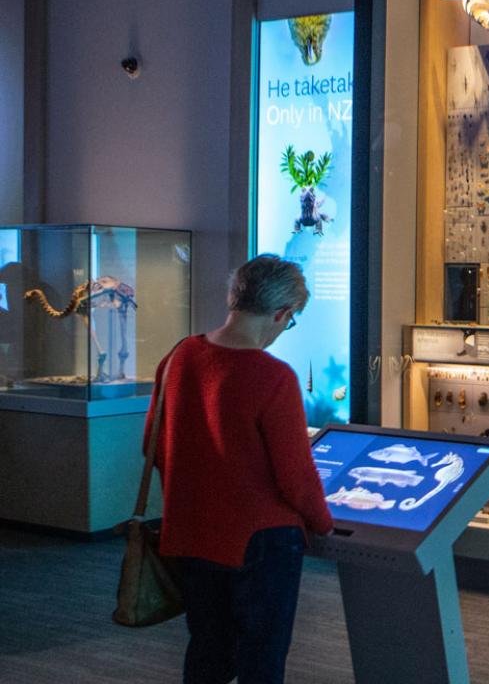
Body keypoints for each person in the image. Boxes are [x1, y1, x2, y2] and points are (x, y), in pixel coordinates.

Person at [144, 254, 333, 684]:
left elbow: (152, 445)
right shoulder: (274, 376)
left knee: (207, 651)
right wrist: (324, 524)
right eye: (291, 320)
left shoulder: (180, 357)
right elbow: (295, 476)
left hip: (190, 531)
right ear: (281, 313)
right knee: (260, 658)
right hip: (260, 543)